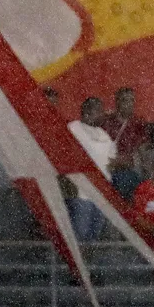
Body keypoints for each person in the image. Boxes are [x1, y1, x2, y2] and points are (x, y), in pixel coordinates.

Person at [67, 96, 117, 242]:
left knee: (95, 237)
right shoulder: (73, 128)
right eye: (100, 111)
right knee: (80, 236)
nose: (103, 114)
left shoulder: (103, 134)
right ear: (88, 112)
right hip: (82, 192)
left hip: (102, 193)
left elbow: (112, 159)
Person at [102, 87, 152, 201]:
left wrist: (144, 167)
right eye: (125, 100)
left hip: (128, 167)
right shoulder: (107, 122)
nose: (130, 104)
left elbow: (143, 151)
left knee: (123, 179)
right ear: (117, 102)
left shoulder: (138, 123)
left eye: (132, 100)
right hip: (105, 163)